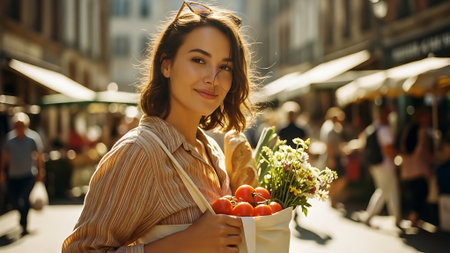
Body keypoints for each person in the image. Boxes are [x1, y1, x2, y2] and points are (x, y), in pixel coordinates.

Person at [62, 2, 256, 252]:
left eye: (225, 67)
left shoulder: (211, 150)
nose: (212, 78)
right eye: (198, 60)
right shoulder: (139, 153)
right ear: (166, 65)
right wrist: (184, 243)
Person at [0, 112, 45, 236]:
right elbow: (4, 156)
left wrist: (41, 171)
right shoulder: (9, 139)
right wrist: (2, 171)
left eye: (21, 125)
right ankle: (21, 216)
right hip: (13, 175)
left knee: (24, 199)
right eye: (17, 125)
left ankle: (24, 223)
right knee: (15, 200)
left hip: (28, 175)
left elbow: (39, 156)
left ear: (26, 125)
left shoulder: (33, 138)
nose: (19, 127)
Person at [359, 104, 401, 227]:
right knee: (386, 190)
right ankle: (370, 215)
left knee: (389, 190)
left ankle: (396, 217)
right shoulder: (384, 129)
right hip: (384, 164)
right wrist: (397, 157)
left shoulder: (373, 128)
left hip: (376, 164)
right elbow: (388, 148)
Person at [400, 107, 433, 227]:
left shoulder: (408, 129)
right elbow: (423, 151)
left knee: (415, 193)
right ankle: (414, 218)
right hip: (418, 167)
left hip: (408, 168)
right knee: (421, 192)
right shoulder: (422, 131)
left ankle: (413, 217)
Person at [319, 107, 347, 208]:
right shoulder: (330, 128)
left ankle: (333, 199)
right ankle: (333, 198)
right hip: (333, 156)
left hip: (333, 156)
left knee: (335, 179)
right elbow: (329, 144)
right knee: (337, 179)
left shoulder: (331, 126)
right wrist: (331, 158)